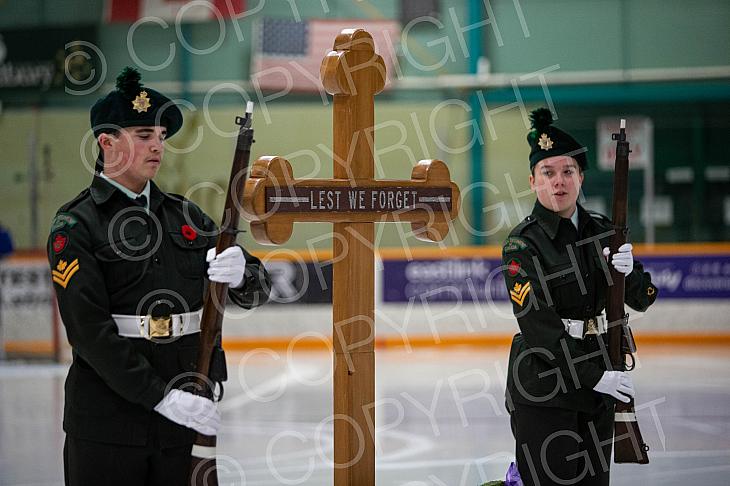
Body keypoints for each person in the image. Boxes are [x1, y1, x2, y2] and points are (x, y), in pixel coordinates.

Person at [47, 67, 271, 486]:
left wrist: (245, 274)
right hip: (108, 427)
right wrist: (160, 397)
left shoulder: (186, 216)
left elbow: (256, 290)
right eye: (144, 135)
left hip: (185, 419)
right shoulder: (76, 226)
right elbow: (89, 333)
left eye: (161, 137)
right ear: (107, 142)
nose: (157, 147)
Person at [501, 108, 658, 486]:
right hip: (545, 389)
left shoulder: (605, 231)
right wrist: (596, 377)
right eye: (548, 172)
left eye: (568, 171)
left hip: (598, 386)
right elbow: (540, 331)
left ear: (581, 177)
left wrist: (629, 271)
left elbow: (643, 298)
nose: (559, 182)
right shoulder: (523, 244)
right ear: (533, 181)